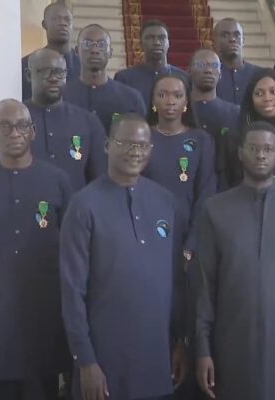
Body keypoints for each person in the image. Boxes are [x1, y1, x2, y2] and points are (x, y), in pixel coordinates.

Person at [60, 113, 187, 400]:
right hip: (103, 361)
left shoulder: (166, 201)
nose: (135, 151)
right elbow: (72, 291)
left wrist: (180, 341)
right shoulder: (83, 205)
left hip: (156, 358)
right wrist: (86, 361)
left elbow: (176, 279)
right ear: (107, 145)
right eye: (126, 143)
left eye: (142, 145)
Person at [196, 120, 275, 400]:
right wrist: (202, 350)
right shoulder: (215, 209)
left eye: (268, 149)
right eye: (254, 148)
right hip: (230, 347)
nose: (261, 155)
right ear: (240, 152)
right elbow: (204, 285)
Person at [0, 99, 72, 400]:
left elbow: (71, 246)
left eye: (21, 126)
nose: (14, 133)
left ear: (32, 132)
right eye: (4, 126)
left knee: (42, 389)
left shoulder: (58, 180)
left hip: (44, 309)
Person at [0, 48, 106, 191]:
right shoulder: (8, 121)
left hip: (73, 210)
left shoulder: (88, 122)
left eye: (59, 72)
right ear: (29, 75)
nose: (53, 78)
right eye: (45, 71)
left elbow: (99, 177)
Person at [144, 72, 216, 265]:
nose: (170, 101)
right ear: (153, 100)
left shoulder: (201, 140)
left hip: (186, 234)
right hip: (145, 231)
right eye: (163, 95)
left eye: (177, 95)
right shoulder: (141, 138)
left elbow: (206, 193)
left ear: (186, 101)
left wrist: (193, 240)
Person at [63, 24, 146, 133]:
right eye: (87, 44)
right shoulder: (62, 96)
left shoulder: (131, 99)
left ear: (110, 52)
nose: (94, 50)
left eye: (101, 44)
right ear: (77, 51)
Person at [189, 48, 240, 190]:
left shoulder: (235, 113)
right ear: (189, 71)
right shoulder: (179, 110)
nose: (208, 70)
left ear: (220, 74)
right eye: (201, 65)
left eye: (214, 66)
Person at [115, 20, 187, 108]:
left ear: (169, 43)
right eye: (150, 38)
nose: (156, 42)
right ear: (140, 44)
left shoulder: (183, 78)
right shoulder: (124, 78)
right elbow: (116, 113)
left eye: (162, 38)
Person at [21, 3, 80, 101]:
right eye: (55, 19)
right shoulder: (27, 64)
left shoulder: (84, 65)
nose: (62, 23)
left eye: (67, 20)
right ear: (44, 24)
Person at [213, 18, 261, 105]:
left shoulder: (259, 74)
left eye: (237, 35)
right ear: (214, 41)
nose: (232, 39)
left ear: (243, 41)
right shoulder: (208, 75)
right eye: (225, 35)